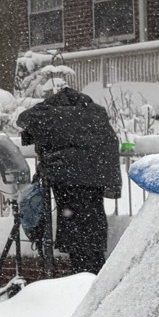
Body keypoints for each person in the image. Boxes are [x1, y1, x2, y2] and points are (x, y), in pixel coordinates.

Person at [18, 85, 121, 274]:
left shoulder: (49, 113)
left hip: (66, 180)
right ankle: (95, 267)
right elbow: (109, 143)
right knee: (93, 222)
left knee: (72, 225)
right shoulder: (95, 113)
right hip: (94, 179)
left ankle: (80, 269)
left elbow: (23, 119)